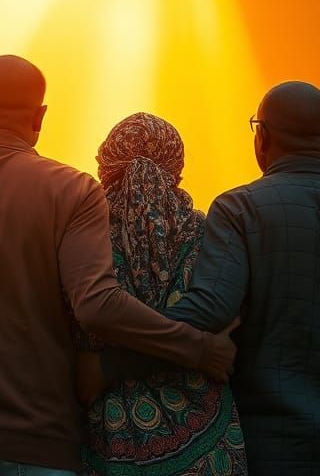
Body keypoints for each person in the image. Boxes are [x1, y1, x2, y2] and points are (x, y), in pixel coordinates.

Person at [0, 55, 236, 476]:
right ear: (40, 117)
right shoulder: (73, 192)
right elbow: (97, 306)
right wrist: (197, 348)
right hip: (39, 446)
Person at [100, 82, 320, 475]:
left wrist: (113, 363)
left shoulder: (241, 209)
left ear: (262, 136)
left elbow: (210, 309)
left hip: (267, 451)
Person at [72, 113, 248, 476]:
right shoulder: (207, 233)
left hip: (104, 442)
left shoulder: (83, 238)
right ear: (178, 171)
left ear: (106, 167)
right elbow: (225, 322)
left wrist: (107, 366)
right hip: (209, 449)